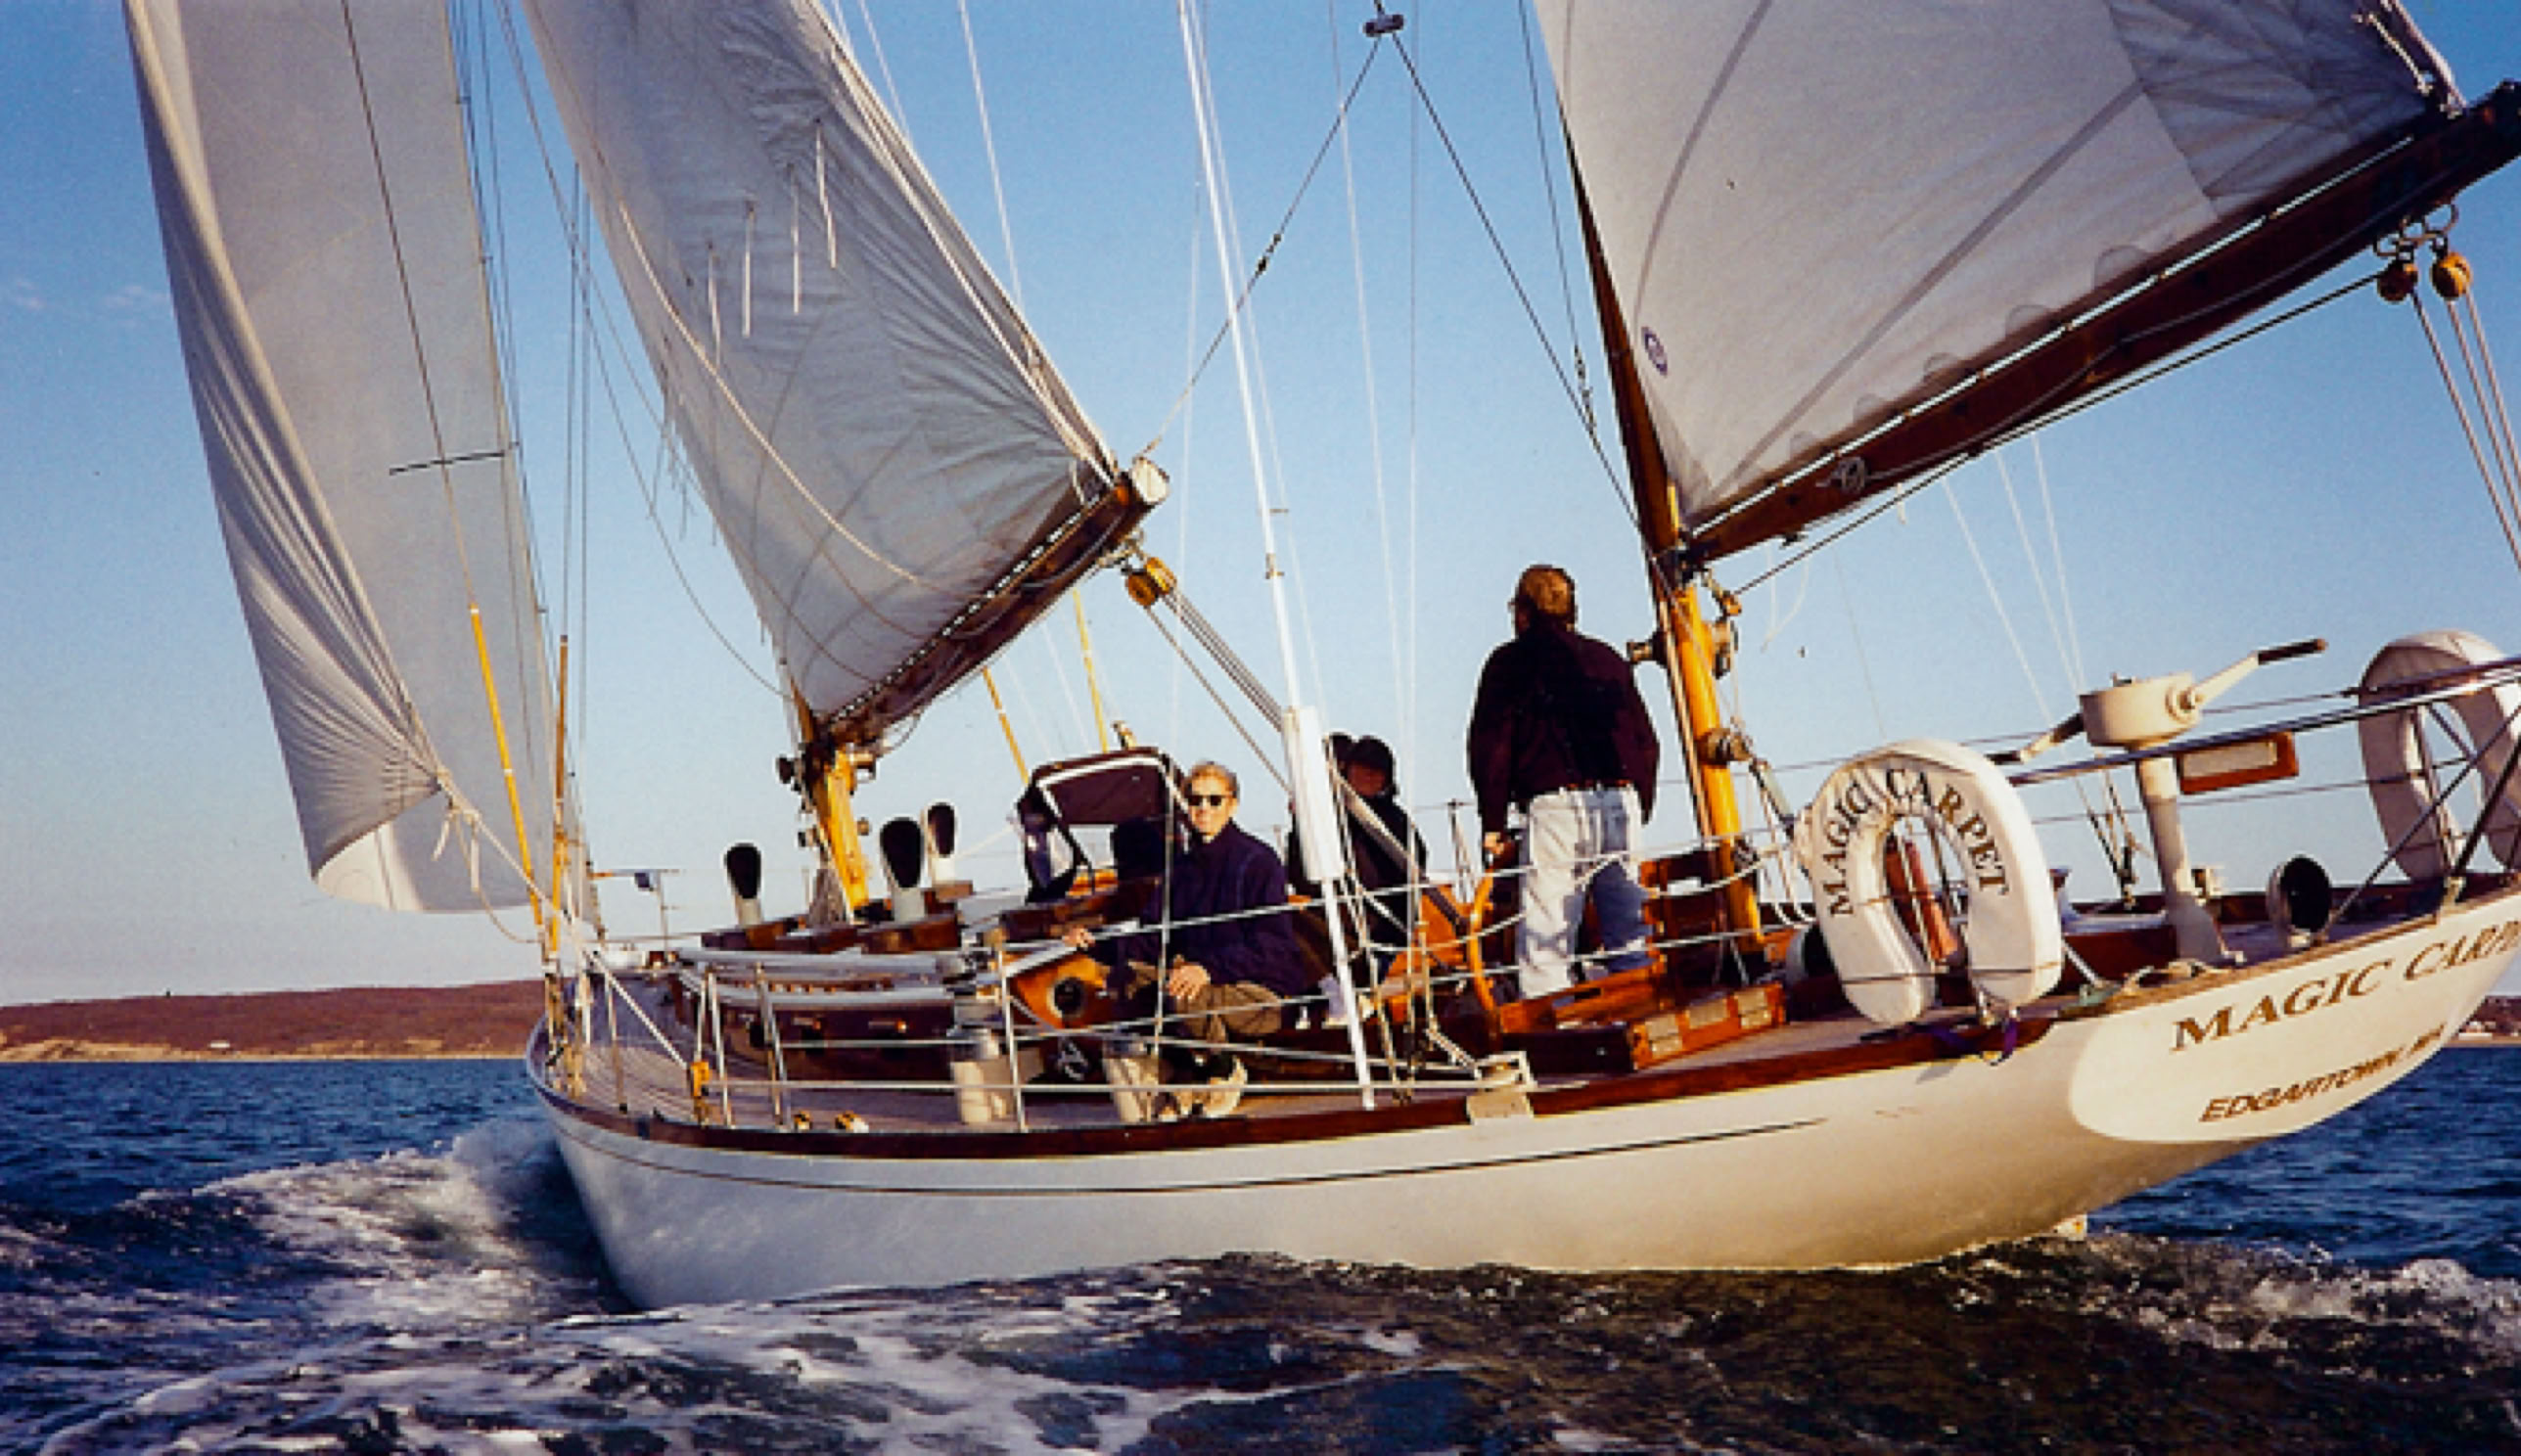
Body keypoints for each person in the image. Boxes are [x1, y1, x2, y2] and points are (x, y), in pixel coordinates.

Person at [1067, 761, 1305, 1117]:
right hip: (1203, 985)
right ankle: (1173, 1069)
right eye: (1195, 800)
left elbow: (1274, 947)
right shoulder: (1181, 871)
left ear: (1233, 805)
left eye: (1214, 800)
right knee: (1127, 977)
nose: (1203, 809)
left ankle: (1222, 1070)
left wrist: (1209, 969)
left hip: (1264, 993)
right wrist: (1097, 944)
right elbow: (1151, 940)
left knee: (1187, 991)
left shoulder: (1258, 862)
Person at [1466, 564, 1661, 998]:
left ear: (1523, 611)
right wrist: (1639, 802)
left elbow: (1491, 749)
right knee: (1629, 934)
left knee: (1546, 942)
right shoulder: (1607, 659)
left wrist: (1493, 823)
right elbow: (1645, 739)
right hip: (1620, 803)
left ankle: (1557, 1039)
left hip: (1557, 808)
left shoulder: (1508, 664)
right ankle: (1644, 1016)